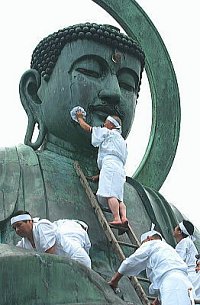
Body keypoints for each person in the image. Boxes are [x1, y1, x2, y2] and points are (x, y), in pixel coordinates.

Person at [108, 227, 196, 305]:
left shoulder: (152, 243)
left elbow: (130, 262)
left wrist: (114, 281)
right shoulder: (169, 250)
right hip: (188, 286)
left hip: (173, 285)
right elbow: (165, 276)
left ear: (148, 238)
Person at [74, 110, 128, 226]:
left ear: (112, 125)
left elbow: (89, 129)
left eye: (106, 122)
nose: (104, 124)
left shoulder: (109, 133)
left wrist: (79, 118)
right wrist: (100, 175)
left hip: (110, 164)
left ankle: (117, 218)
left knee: (110, 194)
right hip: (119, 168)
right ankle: (123, 217)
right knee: (119, 198)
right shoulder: (122, 141)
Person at [11, 210, 91, 268]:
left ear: (29, 221)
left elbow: (50, 254)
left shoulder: (42, 226)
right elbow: (14, 252)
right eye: (14, 228)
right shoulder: (24, 243)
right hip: (63, 266)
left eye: (19, 225)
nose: (17, 230)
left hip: (76, 259)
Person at [173, 220, 200, 298]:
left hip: (190, 276)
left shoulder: (184, 242)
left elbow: (177, 261)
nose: (174, 228)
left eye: (176, 227)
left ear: (179, 231)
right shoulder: (188, 242)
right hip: (194, 276)